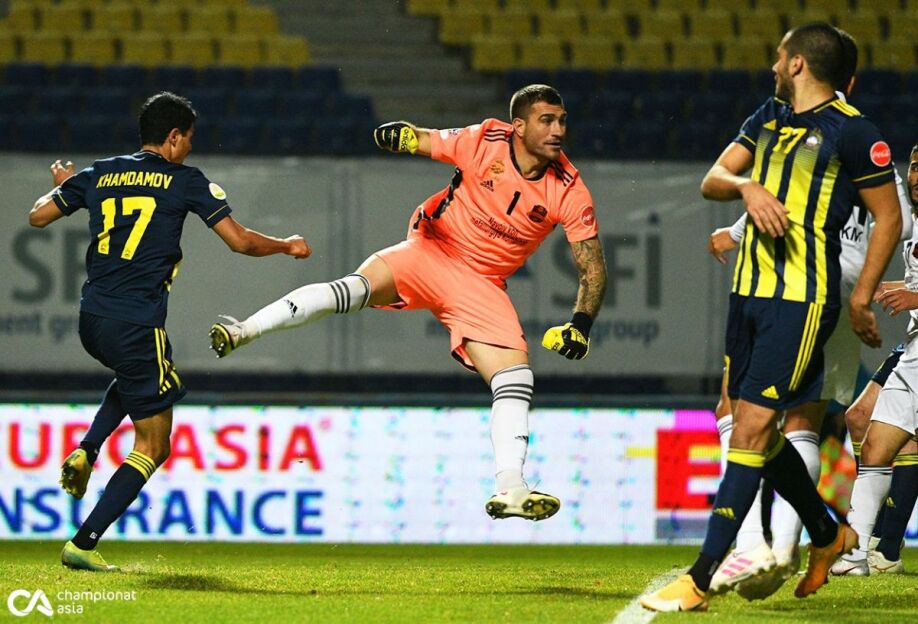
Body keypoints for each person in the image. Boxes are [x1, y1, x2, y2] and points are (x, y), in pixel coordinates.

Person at [209, 84, 608, 521]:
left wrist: (580, 324)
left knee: (515, 378)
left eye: (562, 120)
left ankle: (511, 488)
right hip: (431, 249)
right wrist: (399, 136)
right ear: (518, 126)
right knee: (351, 290)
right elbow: (422, 138)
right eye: (546, 121)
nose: (557, 130)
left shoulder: (569, 188)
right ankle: (243, 330)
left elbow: (592, 268)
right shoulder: (484, 140)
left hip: (480, 285)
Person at [640, 23, 902, 612]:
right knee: (750, 423)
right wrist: (747, 189)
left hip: (801, 300)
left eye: (781, 58)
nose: (774, 66)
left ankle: (700, 578)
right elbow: (713, 179)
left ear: (800, 63)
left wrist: (861, 297)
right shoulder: (768, 116)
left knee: (753, 430)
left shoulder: (854, 131)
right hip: (748, 294)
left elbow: (889, 216)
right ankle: (828, 533)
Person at [28, 92, 310, 571]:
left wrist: (65, 187)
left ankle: (88, 448)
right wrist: (287, 245)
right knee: (154, 445)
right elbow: (240, 242)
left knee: (138, 376)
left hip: (91, 319)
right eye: (189, 139)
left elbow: (38, 216)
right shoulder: (185, 180)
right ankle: (83, 544)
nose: (190, 148)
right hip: (136, 322)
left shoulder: (99, 173)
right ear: (174, 137)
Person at [704, 30, 914, 598]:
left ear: (801, 67)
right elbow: (898, 222)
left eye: (780, 56)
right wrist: (867, 288)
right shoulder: (869, 144)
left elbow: (791, 198)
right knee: (806, 420)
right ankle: (787, 546)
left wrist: (736, 231)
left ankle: (751, 545)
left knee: (740, 408)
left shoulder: (807, 129)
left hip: (803, 283)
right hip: (847, 287)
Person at [832, 143, 918, 576]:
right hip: (914, 348)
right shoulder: (914, 224)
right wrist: (896, 288)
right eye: (915, 167)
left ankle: (880, 547)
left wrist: (915, 297)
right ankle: (864, 553)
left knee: (880, 440)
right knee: (873, 440)